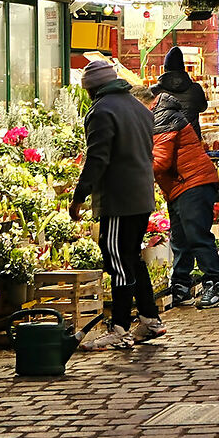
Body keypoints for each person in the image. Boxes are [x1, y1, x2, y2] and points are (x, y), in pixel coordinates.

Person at [69, 60, 164, 348]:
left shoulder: (102, 111)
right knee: (131, 257)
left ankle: (120, 326)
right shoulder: (137, 107)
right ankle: (150, 318)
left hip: (118, 199)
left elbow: (98, 158)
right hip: (141, 195)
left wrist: (79, 195)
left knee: (117, 259)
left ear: (91, 89)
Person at [151, 47, 219, 310]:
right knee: (180, 237)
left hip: (191, 179)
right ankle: (181, 285)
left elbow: (160, 161)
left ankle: (213, 285)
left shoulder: (162, 115)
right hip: (182, 181)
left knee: (196, 235)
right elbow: (202, 106)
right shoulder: (193, 91)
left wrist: (131, 170)